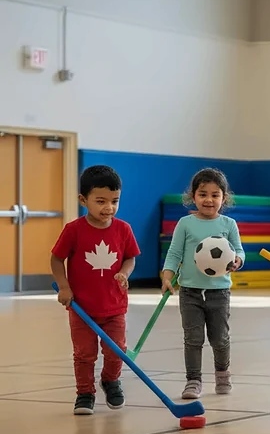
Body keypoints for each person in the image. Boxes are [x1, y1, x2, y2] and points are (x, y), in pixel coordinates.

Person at [51, 165, 141, 415]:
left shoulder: (124, 229)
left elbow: (130, 258)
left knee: (116, 350)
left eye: (114, 201)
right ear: (83, 200)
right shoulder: (73, 230)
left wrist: (124, 273)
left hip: (114, 306)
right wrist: (64, 286)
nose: (108, 208)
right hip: (81, 307)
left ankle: (110, 380)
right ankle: (84, 392)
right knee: (84, 353)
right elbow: (56, 259)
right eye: (100, 201)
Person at [162, 168, 244, 399]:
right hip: (190, 292)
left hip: (219, 292)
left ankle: (222, 374)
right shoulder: (185, 224)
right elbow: (174, 253)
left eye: (215, 195)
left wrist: (238, 260)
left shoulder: (229, 224)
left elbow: (238, 251)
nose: (209, 200)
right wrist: (167, 276)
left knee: (220, 338)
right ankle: (193, 380)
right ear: (193, 196)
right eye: (203, 194)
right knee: (193, 339)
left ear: (223, 198)